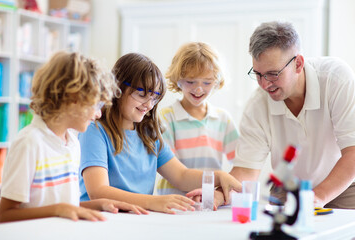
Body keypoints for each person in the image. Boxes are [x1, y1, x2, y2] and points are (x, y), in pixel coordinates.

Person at [78, 53, 242, 214]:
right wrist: (152, 201)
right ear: (118, 89)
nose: (149, 105)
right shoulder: (95, 130)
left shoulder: (149, 133)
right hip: (103, 217)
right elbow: (98, 191)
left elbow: (181, 175)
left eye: (155, 97)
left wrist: (219, 176)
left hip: (138, 217)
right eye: (142, 95)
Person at [0, 51, 147, 223]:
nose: (98, 114)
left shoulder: (72, 143)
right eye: (96, 105)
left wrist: (99, 204)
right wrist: (59, 209)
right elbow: (4, 216)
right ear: (73, 99)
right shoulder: (29, 143)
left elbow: (67, 207)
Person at [229, 21, 355, 209]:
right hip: (287, 190)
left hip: (341, 185)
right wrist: (219, 193)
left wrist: (317, 197)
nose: (264, 85)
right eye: (258, 74)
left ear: (298, 64)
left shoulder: (335, 78)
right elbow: (246, 170)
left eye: (272, 74)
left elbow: (353, 152)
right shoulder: (257, 106)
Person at [156, 42, 239, 203]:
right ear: (178, 80)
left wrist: (222, 192)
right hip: (174, 203)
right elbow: (174, 172)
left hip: (209, 202)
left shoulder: (223, 119)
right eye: (191, 81)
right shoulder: (166, 118)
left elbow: (241, 162)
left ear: (217, 81)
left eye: (207, 82)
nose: (199, 89)